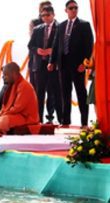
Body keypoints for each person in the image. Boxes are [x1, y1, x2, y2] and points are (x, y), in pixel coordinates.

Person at [48, 0, 94, 128]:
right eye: (71, 8)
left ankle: (84, 122)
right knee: (65, 93)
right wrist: (52, 61)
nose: (74, 10)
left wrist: (84, 64)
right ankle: (65, 121)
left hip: (77, 65)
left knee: (81, 93)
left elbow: (89, 46)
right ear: (66, 10)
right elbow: (56, 45)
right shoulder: (61, 26)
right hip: (63, 65)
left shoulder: (84, 25)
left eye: (76, 8)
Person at [28, 6, 62, 124]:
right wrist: (38, 50)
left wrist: (52, 51)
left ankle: (62, 120)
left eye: (48, 15)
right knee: (39, 94)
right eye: (43, 16)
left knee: (57, 93)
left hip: (54, 66)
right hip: (39, 66)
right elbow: (30, 46)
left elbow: (64, 47)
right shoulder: (37, 29)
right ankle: (38, 120)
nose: (45, 18)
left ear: (53, 15)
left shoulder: (60, 27)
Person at [0, 62, 39, 134]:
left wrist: (2, 115)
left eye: (5, 75)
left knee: (4, 120)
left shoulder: (24, 86)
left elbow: (17, 108)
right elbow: (5, 106)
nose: (3, 77)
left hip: (26, 118)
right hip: (13, 115)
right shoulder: (12, 86)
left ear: (14, 74)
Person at [28, 1, 52, 92]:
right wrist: (40, 50)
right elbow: (32, 43)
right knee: (36, 90)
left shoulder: (57, 24)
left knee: (52, 91)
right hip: (36, 61)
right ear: (40, 10)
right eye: (45, 8)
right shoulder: (34, 23)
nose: (47, 10)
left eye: (49, 8)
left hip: (51, 62)